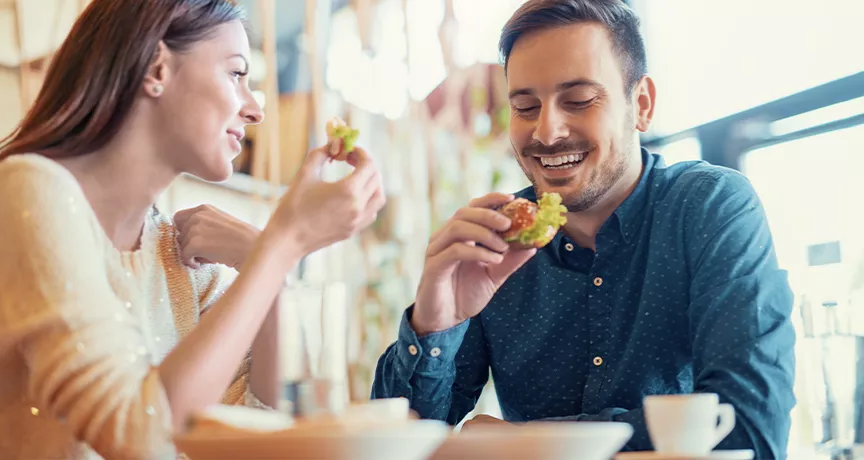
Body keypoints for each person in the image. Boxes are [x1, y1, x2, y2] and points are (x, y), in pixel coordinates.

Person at [370, 0, 795, 457]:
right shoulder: (493, 243)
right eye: (525, 106)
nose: (547, 132)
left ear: (642, 105)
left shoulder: (709, 208)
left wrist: (534, 444)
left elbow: (750, 432)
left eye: (578, 101)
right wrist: (436, 325)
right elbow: (398, 446)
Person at [0, 1, 385, 459]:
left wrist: (270, 270)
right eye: (237, 74)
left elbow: (255, 434)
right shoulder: (28, 191)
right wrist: (283, 244)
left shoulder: (171, 250)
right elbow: (139, 436)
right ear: (157, 68)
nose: (254, 109)